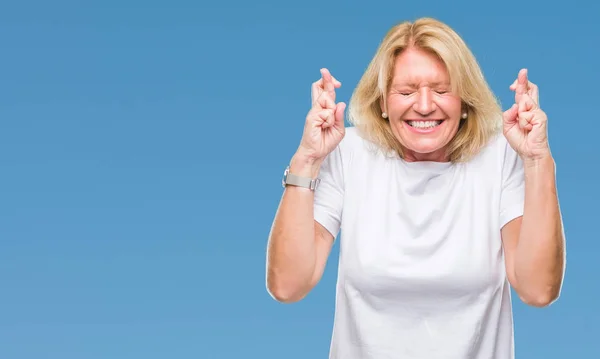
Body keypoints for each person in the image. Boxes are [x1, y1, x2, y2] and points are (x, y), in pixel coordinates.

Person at [265, 17, 565, 359]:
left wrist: (537, 160)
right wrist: (306, 158)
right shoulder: (347, 153)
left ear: (465, 101)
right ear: (382, 102)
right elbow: (288, 285)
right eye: (406, 92)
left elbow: (538, 289)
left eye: (441, 90)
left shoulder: (500, 156)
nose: (424, 106)